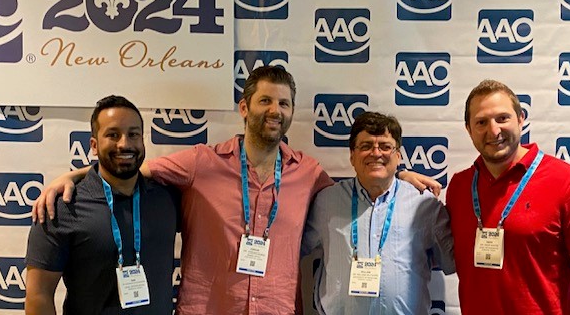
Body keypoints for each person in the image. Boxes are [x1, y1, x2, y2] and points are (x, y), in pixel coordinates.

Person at [31, 66, 440, 314]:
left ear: (291, 113)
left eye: (283, 103)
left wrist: (397, 176)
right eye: (265, 101)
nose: (274, 111)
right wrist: (75, 176)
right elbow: (129, 164)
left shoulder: (308, 172)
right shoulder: (199, 163)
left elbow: (357, 191)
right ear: (245, 108)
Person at [445, 79, 570, 315]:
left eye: (503, 118)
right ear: (469, 130)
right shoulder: (459, 186)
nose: (494, 131)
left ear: (521, 119)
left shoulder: (566, 181)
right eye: (481, 122)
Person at [25, 96, 179, 315]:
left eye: (133, 134)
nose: (124, 144)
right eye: (113, 135)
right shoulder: (61, 207)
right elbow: (38, 295)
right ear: (94, 145)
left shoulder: (166, 198)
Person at [302, 111, 454, 315]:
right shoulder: (326, 201)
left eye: (385, 146)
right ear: (352, 156)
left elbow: (452, 262)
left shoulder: (425, 206)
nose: (376, 153)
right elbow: (292, 248)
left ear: (398, 156)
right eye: (365, 146)